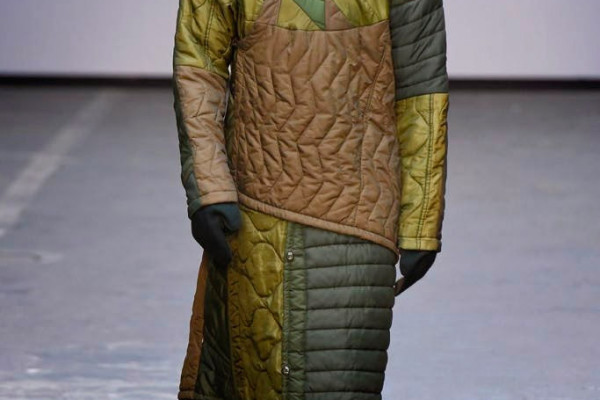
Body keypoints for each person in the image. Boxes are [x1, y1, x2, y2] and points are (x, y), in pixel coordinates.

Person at [172, 0, 449, 399]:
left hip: (358, 221)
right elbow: (200, 65)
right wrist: (209, 184)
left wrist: (421, 222)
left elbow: (421, 88)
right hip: (259, 212)